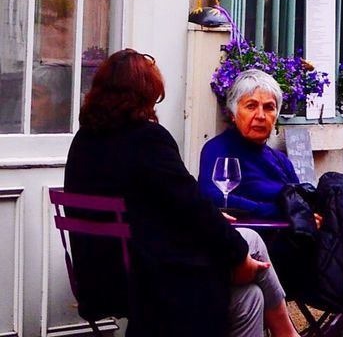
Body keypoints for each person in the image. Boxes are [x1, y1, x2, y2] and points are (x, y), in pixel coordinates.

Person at [63, 49, 297, 337]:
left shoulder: (83, 140)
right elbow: (190, 203)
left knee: (250, 296)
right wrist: (237, 256)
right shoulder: (147, 139)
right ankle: (287, 332)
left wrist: (211, 220)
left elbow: (166, 204)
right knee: (249, 240)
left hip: (100, 277)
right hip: (151, 277)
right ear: (147, 93)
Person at [198, 68, 343, 337]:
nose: (261, 115)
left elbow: (309, 204)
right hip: (273, 256)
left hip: (307, 247)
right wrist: (281, 215)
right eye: (251, 106)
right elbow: (213, 198)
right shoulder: (218, 150)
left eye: (269, 108)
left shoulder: (277, 158)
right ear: (234, 113)